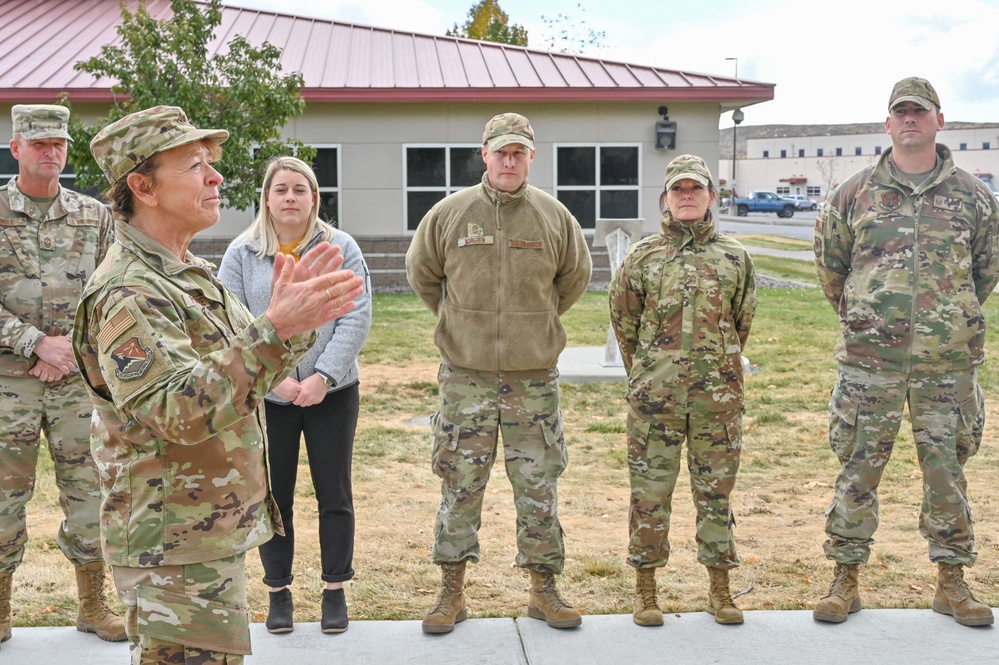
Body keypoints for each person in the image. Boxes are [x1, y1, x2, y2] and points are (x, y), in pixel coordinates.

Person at [74, 106, 365, 664]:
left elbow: (246, 371)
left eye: (212, 163)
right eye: (194, 165)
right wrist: (276, 327)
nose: (216, 178)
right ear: (142, 186)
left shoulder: (187, 273)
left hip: (204, 531)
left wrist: (293, 327)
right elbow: (176, 409)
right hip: (171, 544)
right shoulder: (128, 292)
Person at [813, 77, 998, 627]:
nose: (910, 119)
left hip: (946, 365)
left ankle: (952, 581)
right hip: (871, 364)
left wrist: (946, 320)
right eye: (901, 112)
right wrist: (871, 321)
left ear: (940, 120)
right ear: (888, 123)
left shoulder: (973, 196)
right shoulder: (853, 193)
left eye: (921, 111)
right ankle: (845, 577)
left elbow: (985, 270)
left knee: (946, 473)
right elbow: (832, 270)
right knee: (857, 470)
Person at [406, 112, 592, 633]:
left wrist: (534, 325)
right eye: (500, 152)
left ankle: (544, 588)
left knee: (538, 486)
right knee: (460, 484)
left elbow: (574, 280)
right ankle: (451, 591)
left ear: (532, 157)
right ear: (484, 154)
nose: (509, 162)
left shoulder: (555, 218)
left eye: (519, 153)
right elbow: (422, 274)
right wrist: (460, 324)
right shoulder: (449, 213)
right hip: (466, 379)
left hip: (533, 382)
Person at [218, 156, 372, 634]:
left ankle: (334, 590)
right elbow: (231, 319)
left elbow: (357, 313)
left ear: (314, 198)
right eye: (280, 189)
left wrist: (324, 375)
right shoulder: (242, 253)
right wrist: (271, 378)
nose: (290, 198)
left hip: (333, 391)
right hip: (269, 396)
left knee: (335, 491)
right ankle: (278, 593)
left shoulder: (340, 247)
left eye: (299, 190)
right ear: (266, 197)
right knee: (273, 494)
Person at [609, 154, 756, 627]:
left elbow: (742, 320)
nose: (687, 196)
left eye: (696, 188)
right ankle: (647, 591)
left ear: (712, 196)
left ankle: (720, 589)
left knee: (716, 494)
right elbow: (624, 323)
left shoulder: (735, 257)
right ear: (666, 199)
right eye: (678, 190)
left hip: (718, 401)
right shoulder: (643, 256)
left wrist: (720, 370)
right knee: (650, 494)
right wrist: (649, 372)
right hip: (656, 401)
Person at [0, 104, 125, 646]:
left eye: (60, 144)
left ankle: (93, 603)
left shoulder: (94, 216)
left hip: (76, 382)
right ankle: (1, 607)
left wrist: (68, 351)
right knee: (5, 496)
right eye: (40, 143)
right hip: (10, 384)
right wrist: (34, 343)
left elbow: (111, 292)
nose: (52, 152)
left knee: (91, 490)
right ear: (16, 149)